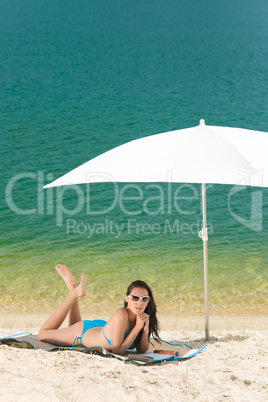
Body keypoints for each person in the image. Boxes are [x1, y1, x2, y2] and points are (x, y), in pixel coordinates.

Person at [39, 264, 160, 355]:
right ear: (127, 299)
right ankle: (73, 294)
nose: (140, 302)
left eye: (145, 299)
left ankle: (72, 288)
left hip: (99, 329)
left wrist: (144, 327)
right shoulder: (121, 314)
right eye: (135, 297)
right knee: (43, 333)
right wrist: (137, 328)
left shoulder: (141, 318)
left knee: (73, 325)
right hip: (82, 333)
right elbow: (117, 351)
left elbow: (142, 350)